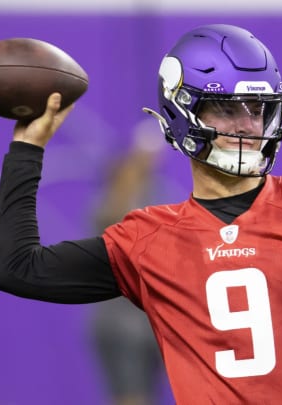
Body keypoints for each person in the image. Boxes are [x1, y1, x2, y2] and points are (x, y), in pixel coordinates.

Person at [0, 24, 282, 404]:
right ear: (181, 112)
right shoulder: (147, 239)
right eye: (226, 108)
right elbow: (16, 269)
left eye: (258, 110)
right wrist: (27, 149)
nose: (247, 125)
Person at [89, 119, 170, 405]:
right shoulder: (112, 200)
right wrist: (135, 162)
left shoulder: (159, 196)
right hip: (119, 324)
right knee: (130, 397)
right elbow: (115, 217)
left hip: (150, 324)